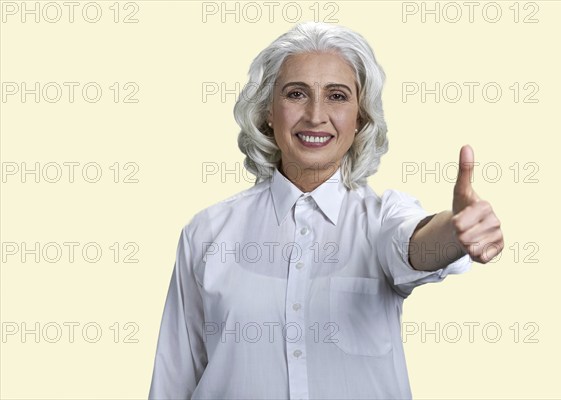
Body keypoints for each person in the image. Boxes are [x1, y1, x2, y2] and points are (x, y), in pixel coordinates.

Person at [148, 21, 503, 400]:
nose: (316, 115)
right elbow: (174, 378)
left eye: (337, 96)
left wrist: (456, 231)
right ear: (268, 110)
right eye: (296, 94)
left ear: (360, 116)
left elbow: (413, 243)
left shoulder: (382, 217)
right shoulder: (206, 232)